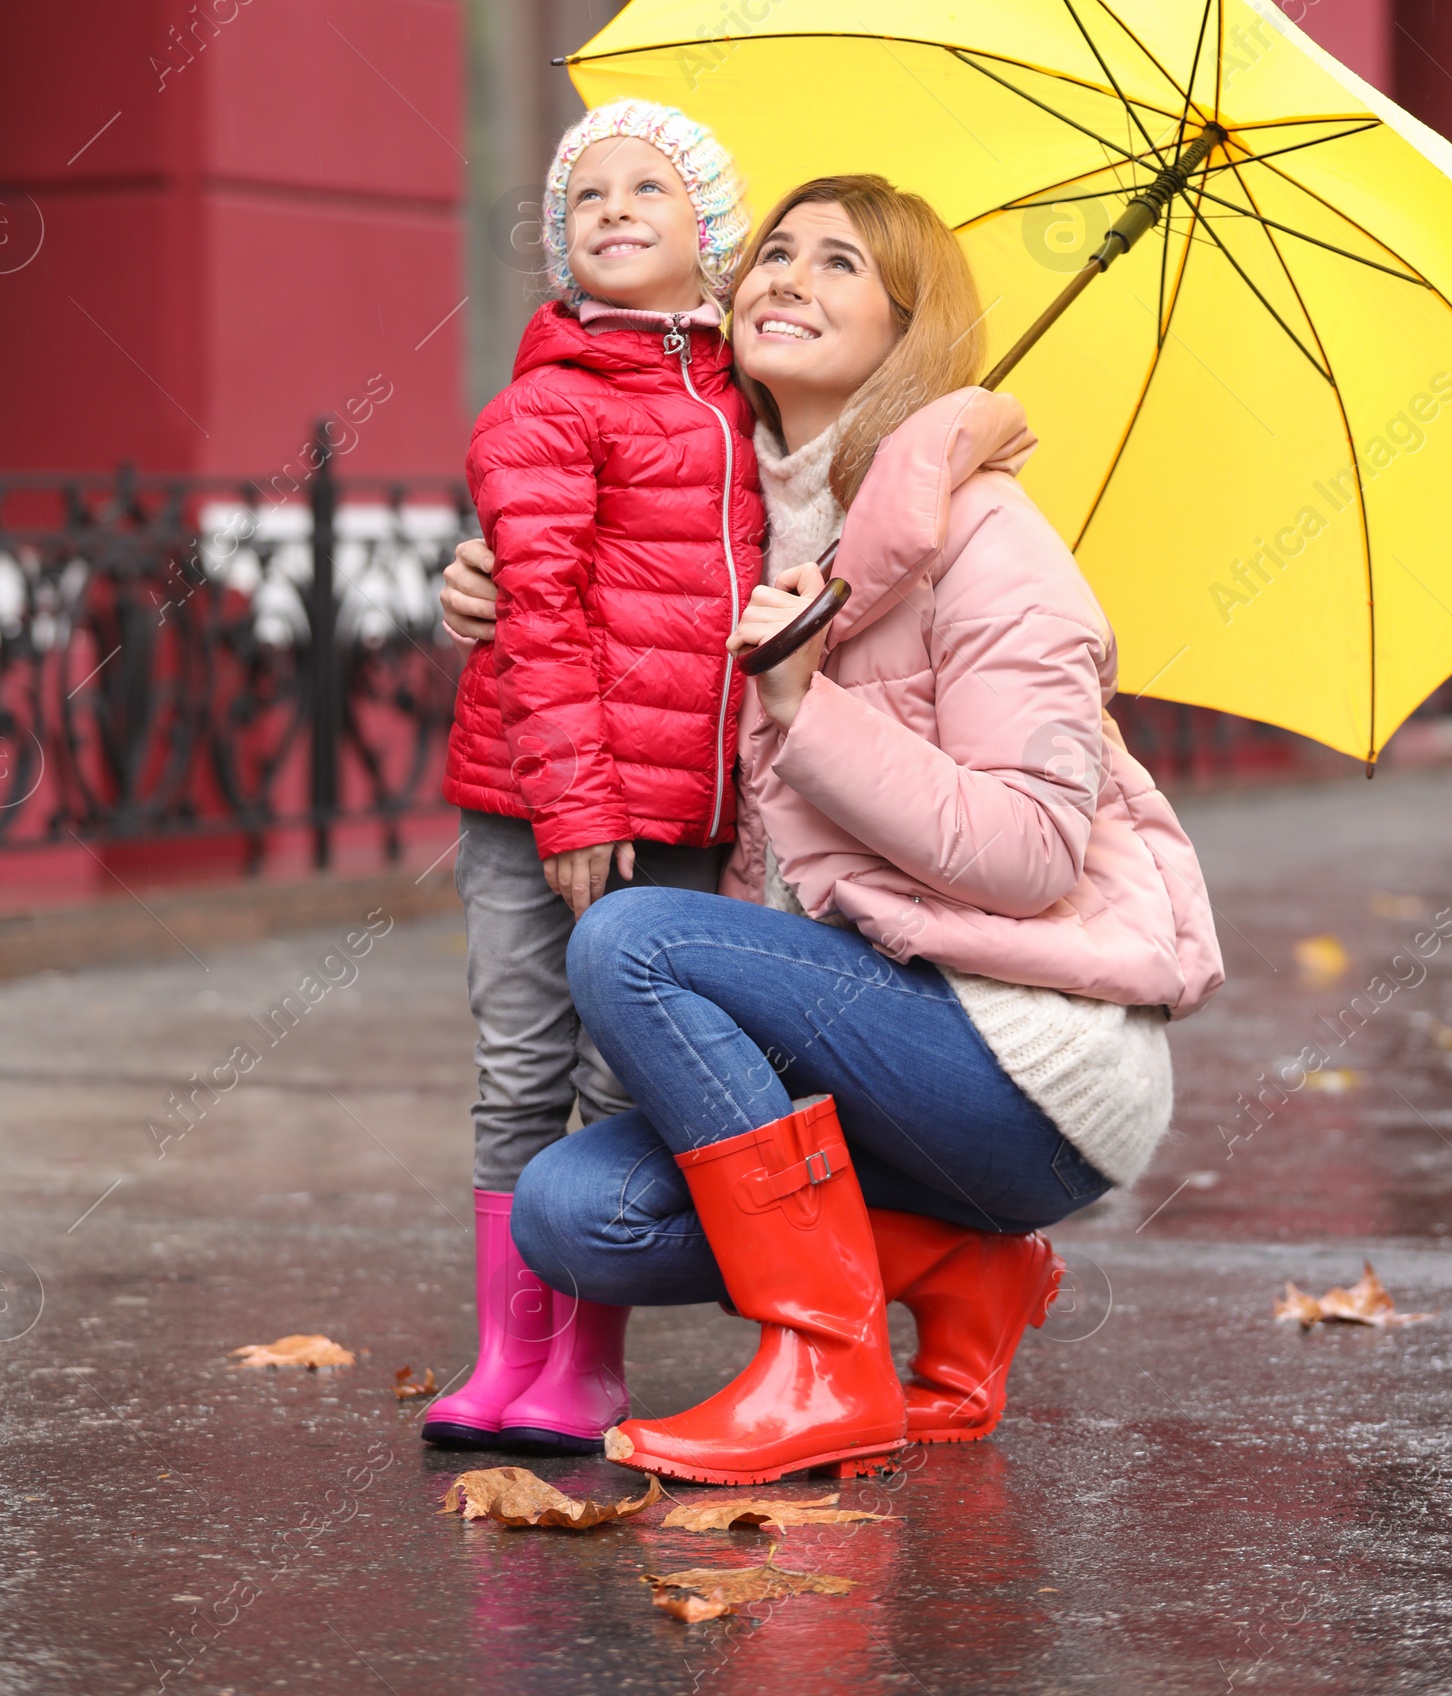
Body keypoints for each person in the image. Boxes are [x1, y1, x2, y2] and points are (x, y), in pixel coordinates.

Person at [450, 175, 1223, 1488]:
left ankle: (827, 1366)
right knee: (573, 1211)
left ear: (907, 331)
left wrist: (807, 704)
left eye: (841, 266)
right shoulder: (757, 526)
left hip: (1019, 1062)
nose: (786, 280)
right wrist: (487, 583)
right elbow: (609, 591)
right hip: (855, 1033)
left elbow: (1032, 853)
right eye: (775, 254)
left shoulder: (991, 544)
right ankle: (964, 1273)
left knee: (635, 944)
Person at [420, 100, 765, 1454]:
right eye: (586, 198)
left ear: (713, 240)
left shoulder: (756, 406)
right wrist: (577, 808)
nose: (614, 208)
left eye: (651, 189)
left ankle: (583, 1369)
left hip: (688, 808)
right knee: (520, 1066)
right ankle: (507, 1355)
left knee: (621, 1083)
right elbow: (542, 614)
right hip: (534, 803)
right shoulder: (544, 407)